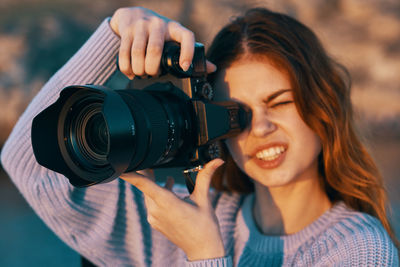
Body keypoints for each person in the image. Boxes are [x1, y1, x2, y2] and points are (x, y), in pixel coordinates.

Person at [1, 6, 398, 266]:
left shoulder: (359, 250)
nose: (259, 128)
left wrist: (205, 254)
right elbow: (26, 161)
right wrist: (115, 34)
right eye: (234, 114)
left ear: (322, 107)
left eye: (279, 103)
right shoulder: (184, 222)